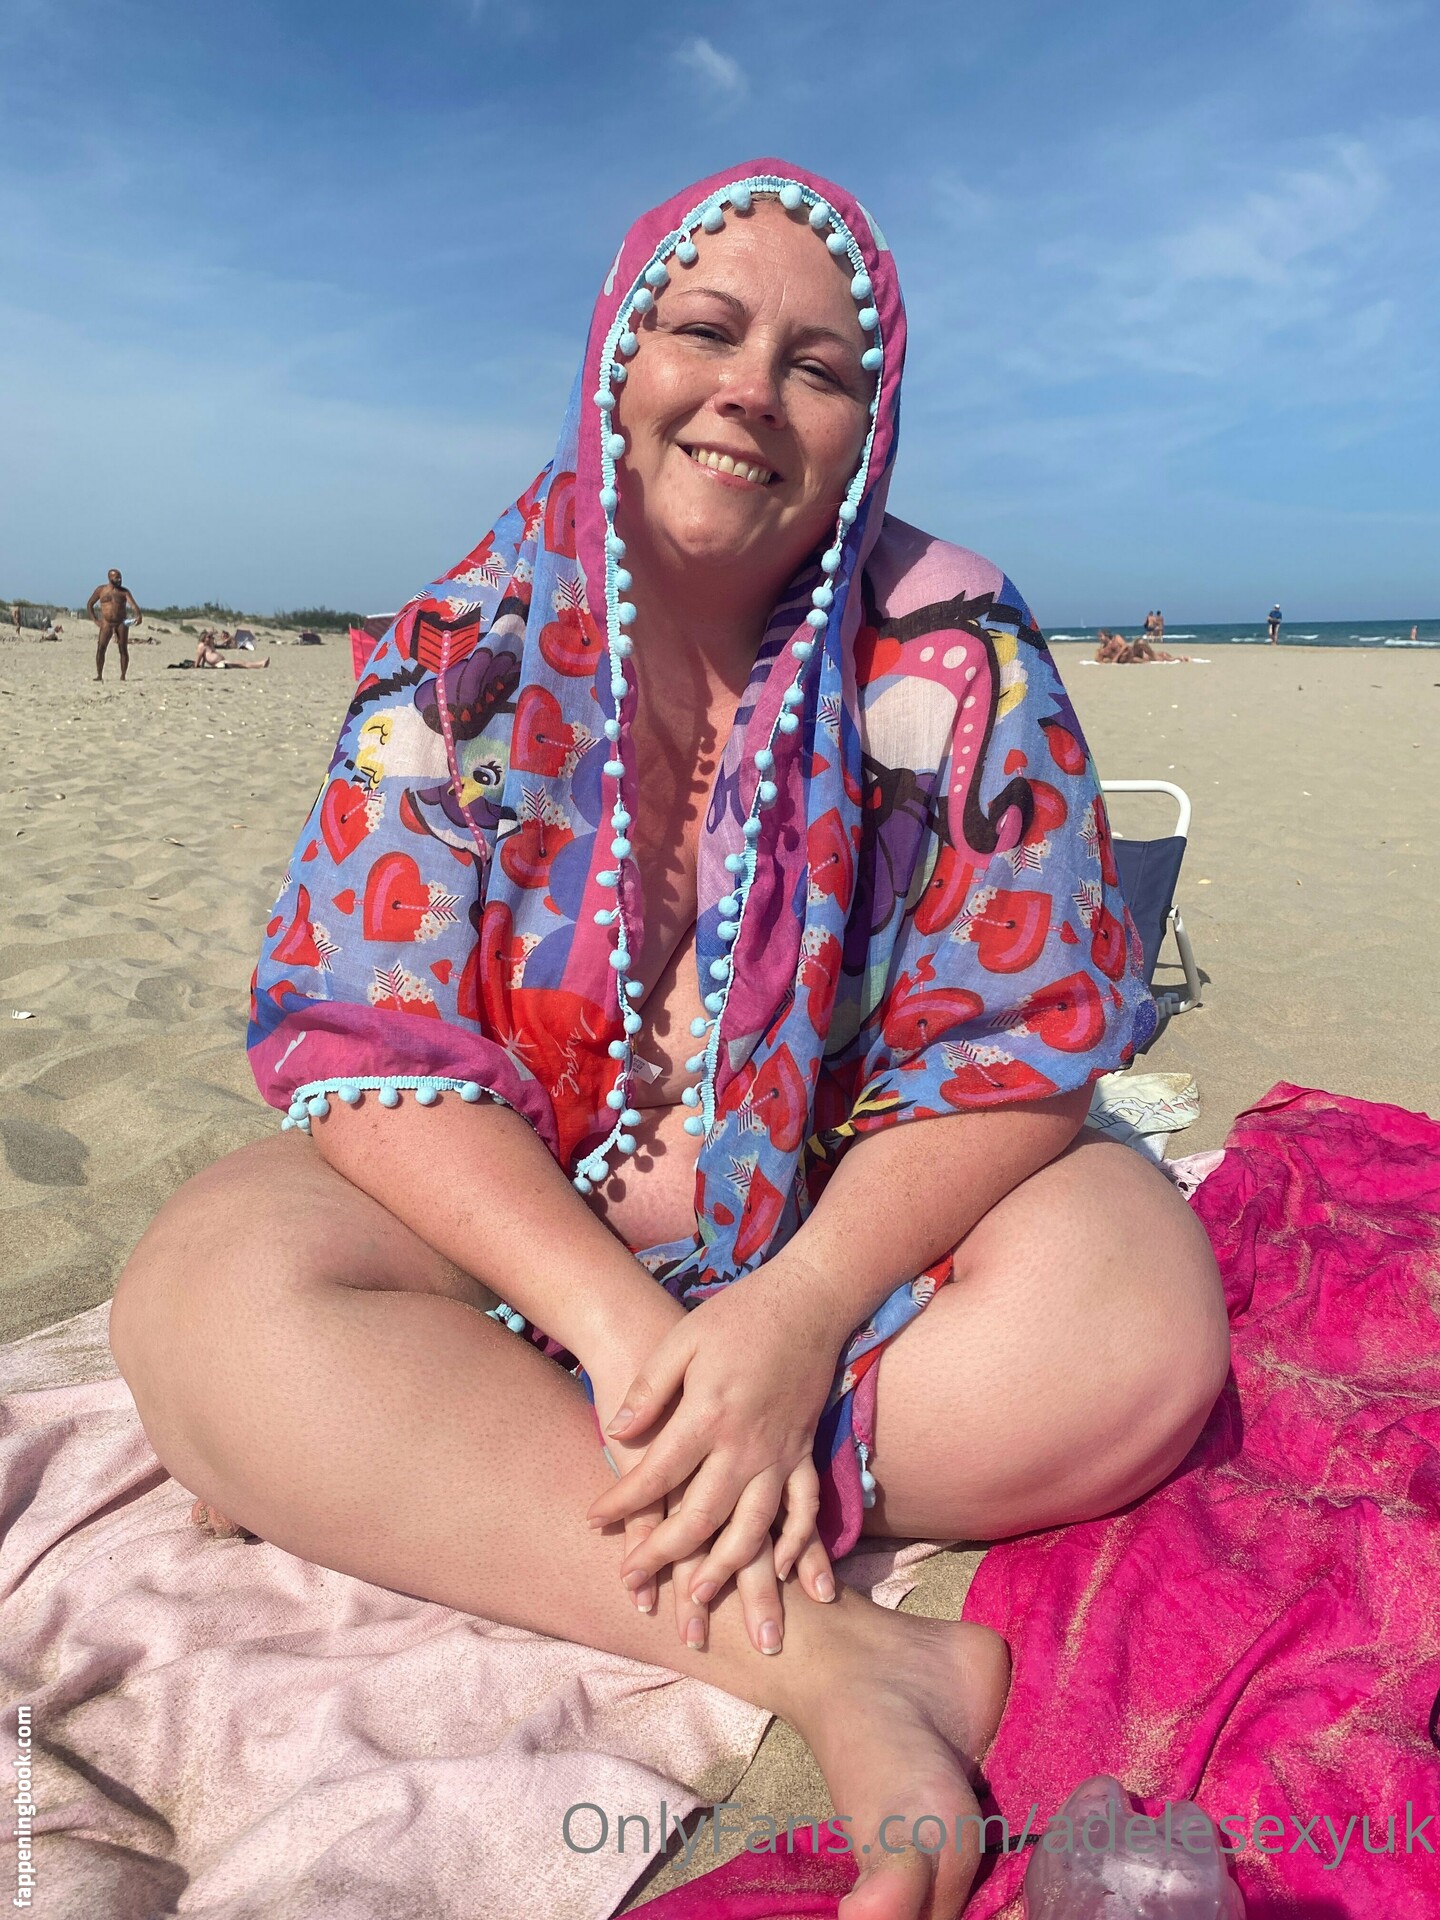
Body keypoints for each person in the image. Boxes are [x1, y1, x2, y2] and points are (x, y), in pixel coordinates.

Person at [108, 162, 1227, 1920]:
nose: (750, 393)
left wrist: (791, 1319)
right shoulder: (462, 648)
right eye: (705, 331)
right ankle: (828, 1656)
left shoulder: (958, 649)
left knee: (1136, 1321)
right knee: (203, 1287)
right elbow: (369, 1040)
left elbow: (1021, 1042)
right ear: (618, 358)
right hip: (533, 1267)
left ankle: (488, 1479)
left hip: (847, 1265)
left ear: (869, 425)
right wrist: (636, 1341)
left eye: (817, 366)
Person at [86, 569, 143, 682]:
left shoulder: (124, 592)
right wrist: (95, 620)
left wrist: (138, 615)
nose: (119, 580)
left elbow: (133, 604)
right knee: (101, 648)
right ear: (110, 578)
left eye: (120, 577)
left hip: (121, 622)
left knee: (123, 648)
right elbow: (90, 604)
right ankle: (99, 675)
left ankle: (123, 675)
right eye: (117, 577)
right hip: (106, 623)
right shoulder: (101, 590)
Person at [190, 632, 270, 669]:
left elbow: (205, 657)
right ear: (204, 638)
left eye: (211, 637)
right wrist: (196, 665)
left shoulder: (207, 646)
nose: (211, 639)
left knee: (241, 663)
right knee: (242, 663)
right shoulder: (201, 646)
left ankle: (260, 664)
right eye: (209, 637)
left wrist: (203, 665)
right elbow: (199, 658)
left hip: (221, 662)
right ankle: (260, 664)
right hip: (219, 663)